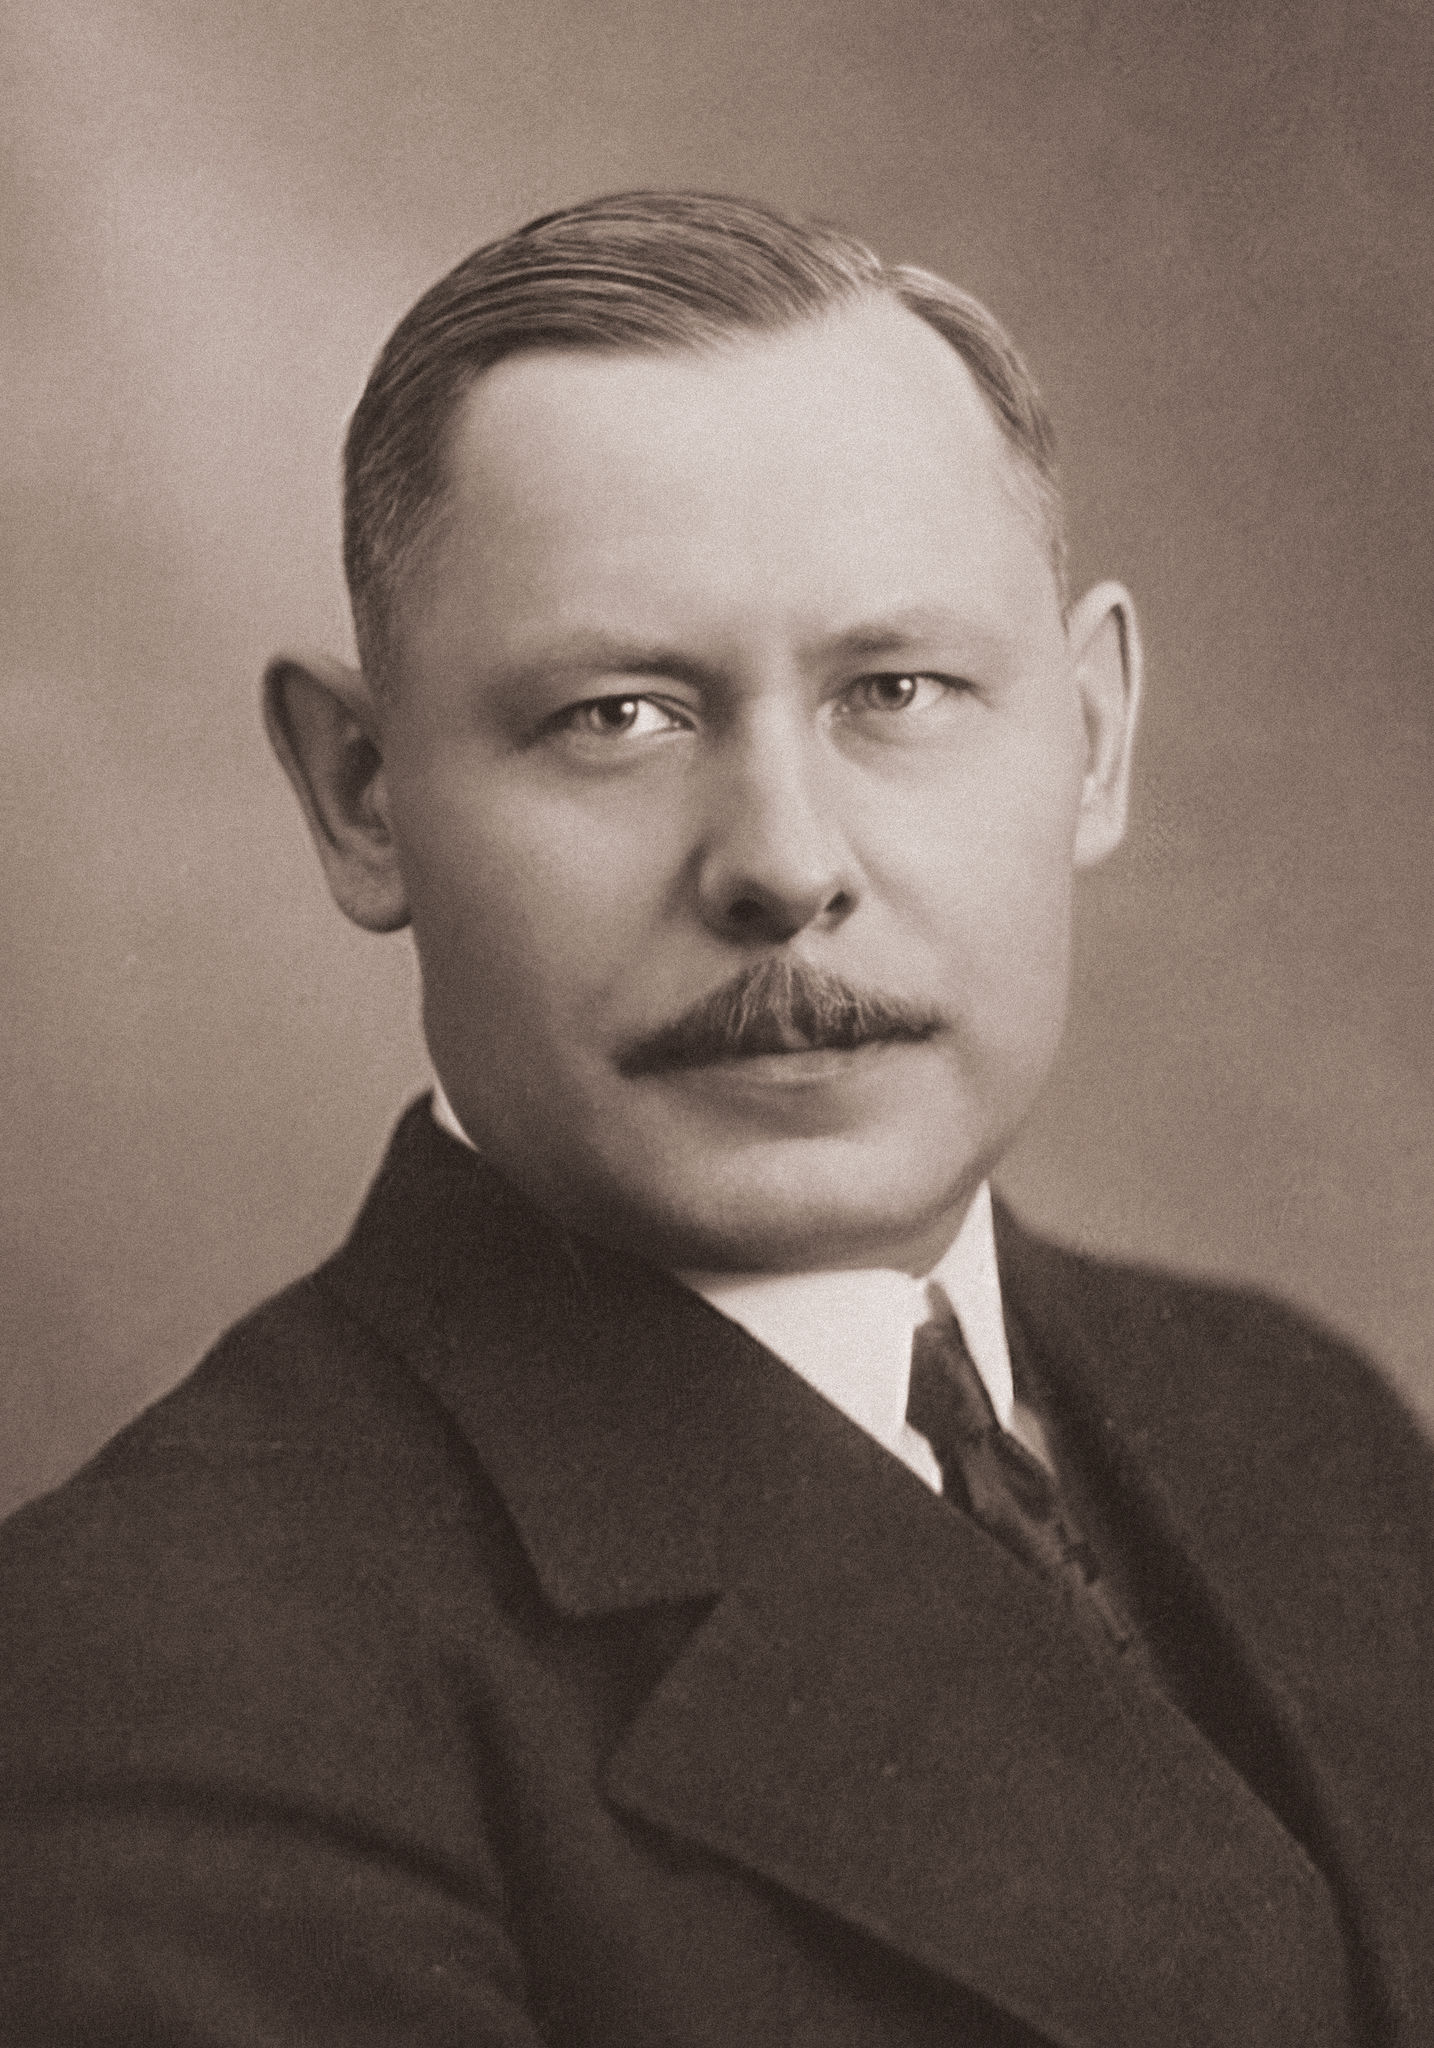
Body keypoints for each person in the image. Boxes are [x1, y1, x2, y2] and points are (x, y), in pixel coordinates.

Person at [1, 191, 1430, 2048]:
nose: (782, 863)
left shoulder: (1298, 1425)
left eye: (895, 691)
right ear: (360, 795)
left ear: (1091, 737)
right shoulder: (159, 1676)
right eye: (617, 716)